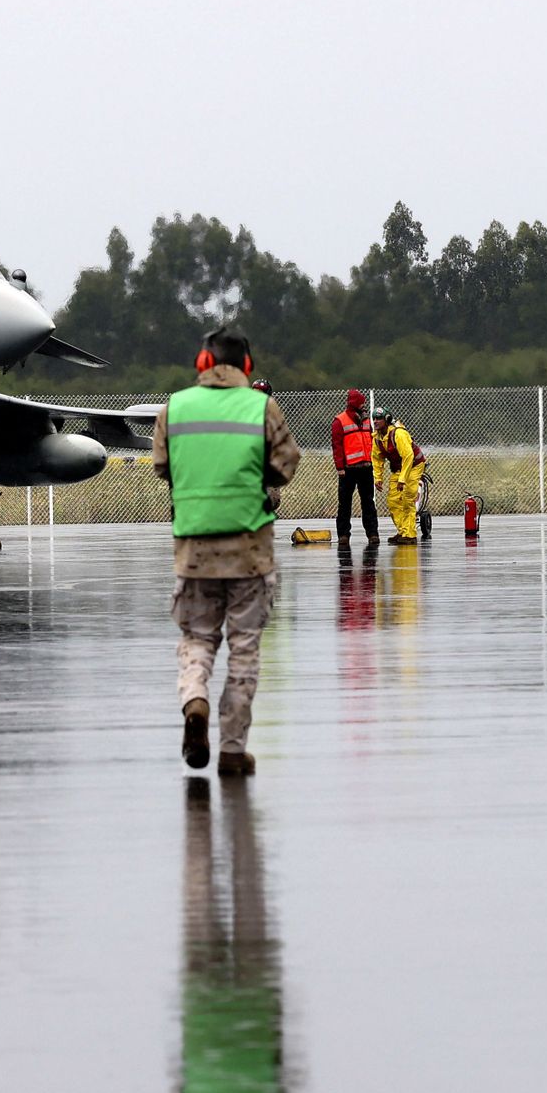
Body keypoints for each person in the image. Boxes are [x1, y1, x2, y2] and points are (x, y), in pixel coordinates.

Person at [152, 327, 302, 776]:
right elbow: (286, 466)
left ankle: (194, 701)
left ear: (203, 363)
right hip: (249, 550)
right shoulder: (262, 407)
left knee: (197, 639)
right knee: (244, 649)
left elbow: (162, 466)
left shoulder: (174, 408)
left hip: (194, 549)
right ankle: (233, 751)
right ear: (247, 367)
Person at [331, 389, 379, 546]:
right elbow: (337, 446)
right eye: (361, 403)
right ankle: (343, 535)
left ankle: (372, 533)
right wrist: (340, 467)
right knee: (345, 503)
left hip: (366, 467)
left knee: (368, 503)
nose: (364, 405)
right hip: (348, 469)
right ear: (355, 404)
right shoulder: (340, 421)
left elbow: (370, 440)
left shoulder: (366, 420)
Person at [373, 407, 427, 545]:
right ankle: (403, 531)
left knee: (408, 498)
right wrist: (378, 478)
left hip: (414, 465)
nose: (375, 421)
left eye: (379, 418)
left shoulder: (399, 434)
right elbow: (377, 459)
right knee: (393, 500)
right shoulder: (377, 438)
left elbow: (408, 456)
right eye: (374, 418)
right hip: (399, 468)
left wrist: (402, 479)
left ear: (387, 420)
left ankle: (410, 535)